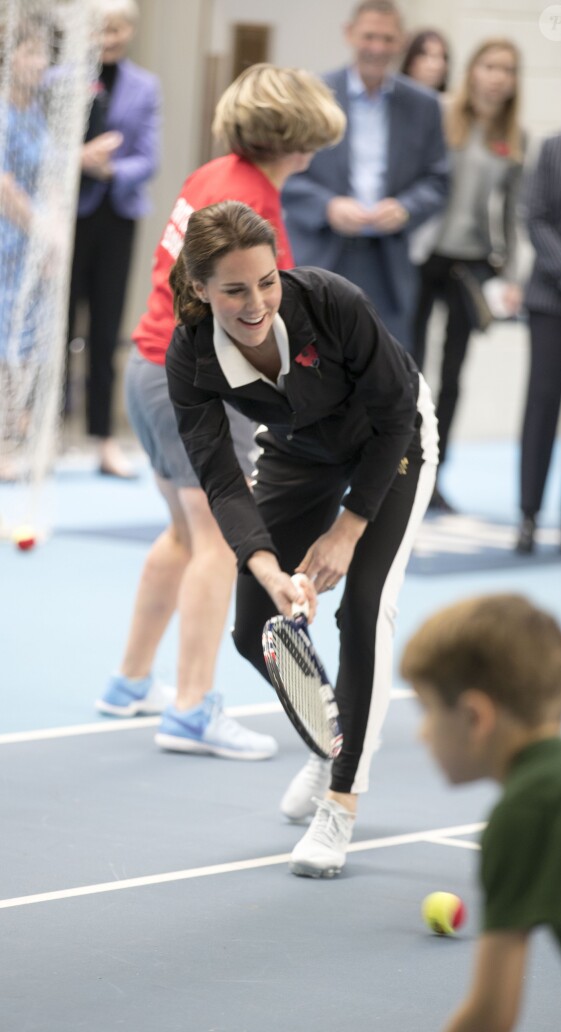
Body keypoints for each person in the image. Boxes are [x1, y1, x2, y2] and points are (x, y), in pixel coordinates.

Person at [165, 200, 439, 877]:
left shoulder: (331, 301)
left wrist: (349, 527)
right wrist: (266, 568)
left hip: (393, 443)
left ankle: (340, 803)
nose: (256, 302)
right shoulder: (191, 358)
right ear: (201, 289)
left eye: (266, 282)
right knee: (252, 625)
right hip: (299, 452)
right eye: (233, 289)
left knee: (364, 607)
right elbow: (223, 483)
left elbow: (397, 413)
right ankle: (331, 737)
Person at [96, 64, 346, 763]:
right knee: (219, 544)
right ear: (295, 136)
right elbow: (260, 320)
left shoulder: (215, 174)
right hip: (192, 388)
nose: (319, 149)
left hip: (146, 373)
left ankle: (129, 681)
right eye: (315, 136)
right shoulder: (249, 203)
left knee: (183, 534)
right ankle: (192, 708)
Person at [400, 593, 561, 1032]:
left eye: (427, 712)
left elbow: (490, 1017)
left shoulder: (524, 813)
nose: (422, 734)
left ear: (474, 718)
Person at [281, 0, 449, 347]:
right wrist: (327, 206)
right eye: (369, 36)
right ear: (350, 34)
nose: (377, 48)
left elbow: (439, 179)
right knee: (314, 364)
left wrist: (406, 208)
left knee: (385, 369)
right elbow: (282, 173)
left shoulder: (423, 105)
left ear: (401, 41)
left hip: (388, 261)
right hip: (322, 251)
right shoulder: (313, 94)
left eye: (387, 39)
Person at [410, 39, 525, 512]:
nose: (498, 76)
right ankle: (398, 467)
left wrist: (512, 276)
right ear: (472, 69)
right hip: (423, 256)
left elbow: (513, 216)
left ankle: (436, 475)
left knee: (453, 375)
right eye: (489, 65)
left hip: (471, 265)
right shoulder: (440, 115)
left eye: (508, 69)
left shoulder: (516, 140)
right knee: (408, 369)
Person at [66, 0, 161, 478]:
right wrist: (78, 159)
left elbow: (148, 157)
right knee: (60, 328)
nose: (111, 35)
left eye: (119, 27)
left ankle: (103, 439)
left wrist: (109, 169)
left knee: (105, 330)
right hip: (64, 220)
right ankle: (44, 435)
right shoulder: (57, 81)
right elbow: (43, 149)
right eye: (102, 27)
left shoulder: (145, 86)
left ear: (130, 31)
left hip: (116, 217)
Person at [515, 76, 561, 555]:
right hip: (553, 297)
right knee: (542, 401)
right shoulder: (554, 148)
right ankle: (529, 516)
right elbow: (534, 216)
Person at [0, 13, 52, 480]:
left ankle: (15, 434)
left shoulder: (37, 111)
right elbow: (3, 184)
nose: (38, 62)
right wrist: (41, 229)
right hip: (7, 240)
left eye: (43, 53)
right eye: (29, 51)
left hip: (31, 246)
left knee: (24, 339)